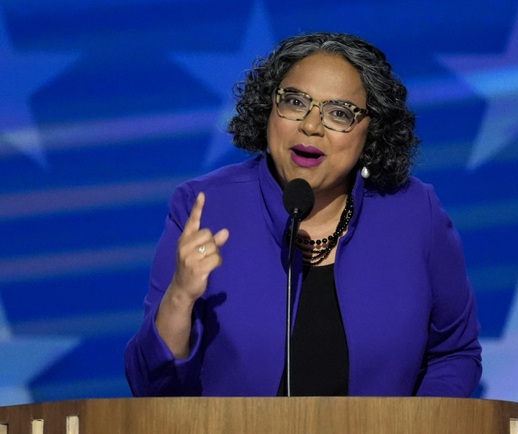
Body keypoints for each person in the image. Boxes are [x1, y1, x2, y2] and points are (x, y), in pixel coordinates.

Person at [124, 32, 481, 397]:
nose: (311, 126)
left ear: (372, 132)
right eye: (295, 102)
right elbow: (151, 388)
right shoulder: (204, 208)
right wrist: (181, 296)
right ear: (268, 109)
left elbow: (455, 353)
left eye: (339, 113)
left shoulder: (414, 213)